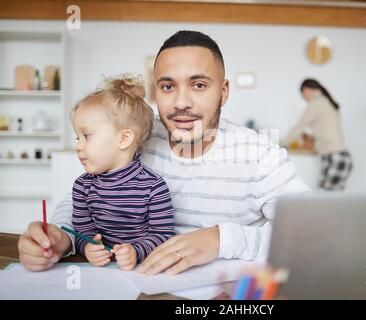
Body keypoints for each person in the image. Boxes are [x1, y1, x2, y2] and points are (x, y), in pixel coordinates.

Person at [18, 30, 310, 274]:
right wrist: (62, 237)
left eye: (198, 85)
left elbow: (314, 234)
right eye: (168, 86)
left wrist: (222, 239)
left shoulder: (259, 154)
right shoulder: (137, 137)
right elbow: (86, 197)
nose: (182, 102)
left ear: (223, 92)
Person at [70, 75, 175, 271]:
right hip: (99, 273)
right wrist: (87, 247)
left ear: (124, 138)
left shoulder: (153, 187)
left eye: (86, 136)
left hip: (142, 272)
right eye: (78, 137)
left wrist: (136, 251)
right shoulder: (82, 186)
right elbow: (82, 231)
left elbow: (163, 235)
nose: (78, 146)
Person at [285, 79, 352, 191]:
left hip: (335, 158)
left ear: (306, 90)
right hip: (337, 157)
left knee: (326, 201)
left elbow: (298, 127)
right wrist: (311, 138)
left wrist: (278, 145)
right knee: (330, 201)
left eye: (303, 95)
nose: (304, 99)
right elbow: (327, 132)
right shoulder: (326, 101)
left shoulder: (317, 103)